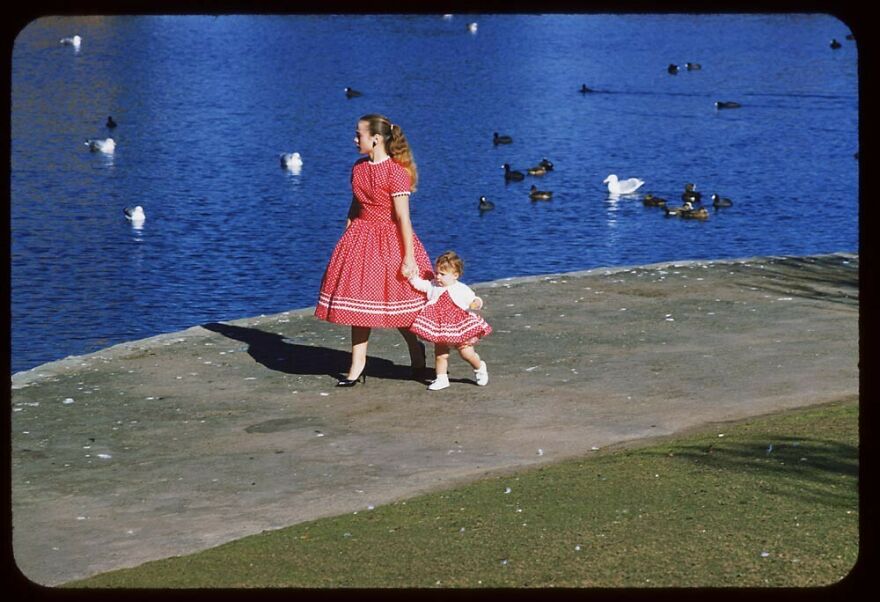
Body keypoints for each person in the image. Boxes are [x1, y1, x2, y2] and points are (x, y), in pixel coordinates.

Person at [315, 114, 433, 387]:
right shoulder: (358, 168)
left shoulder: (396, 173)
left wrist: (409, 256)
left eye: (360, 134)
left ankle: (416, 349)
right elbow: (356, 205)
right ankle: (357, 365)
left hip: (390, 240)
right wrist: (346, 234)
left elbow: (403, 218)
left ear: (376, 139)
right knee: (360, 304)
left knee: (398, 306)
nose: (355, 139)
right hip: (361, 237)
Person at [408, 251, 491, 391]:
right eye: (437, 273)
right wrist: (411, 276)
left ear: (455, 275)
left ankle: (479, 367)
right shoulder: (433, 285)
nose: (438, 276)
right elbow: (419, 284)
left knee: (466, 352)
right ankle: (441, 378)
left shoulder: (461, 288)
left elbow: (474, 299)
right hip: (440, 325)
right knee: (441, 354)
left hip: (459, 325)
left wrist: (476, 303)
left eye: (442, 274)